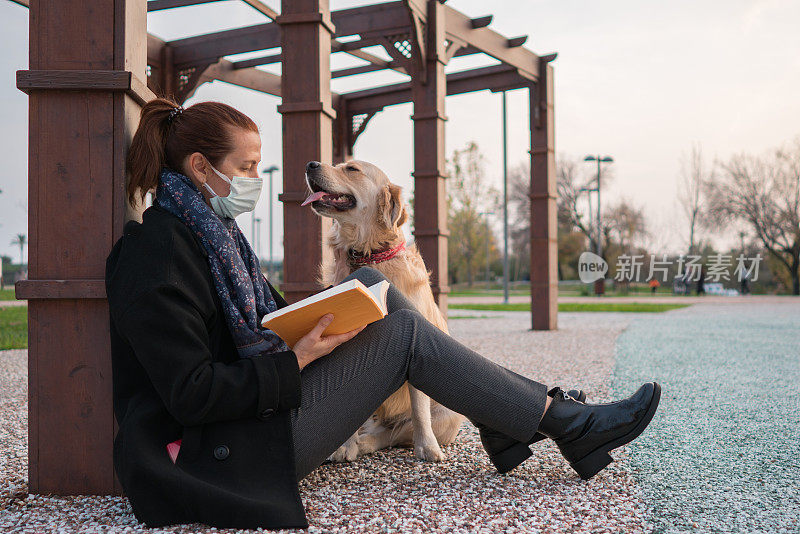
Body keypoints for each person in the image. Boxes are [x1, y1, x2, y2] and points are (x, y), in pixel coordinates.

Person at [105, 97, 661, 530]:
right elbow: (191, 394)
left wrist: (324, 321)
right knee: (400, 332)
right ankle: (556, 422)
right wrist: (294, 360)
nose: (256, 180)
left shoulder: (217, 240)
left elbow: (264, 326)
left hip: (253, 422)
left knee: (374, 286)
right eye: (247, 167)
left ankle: (525, 419)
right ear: (201, 167)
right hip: (219, 454)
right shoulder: (155, 254)